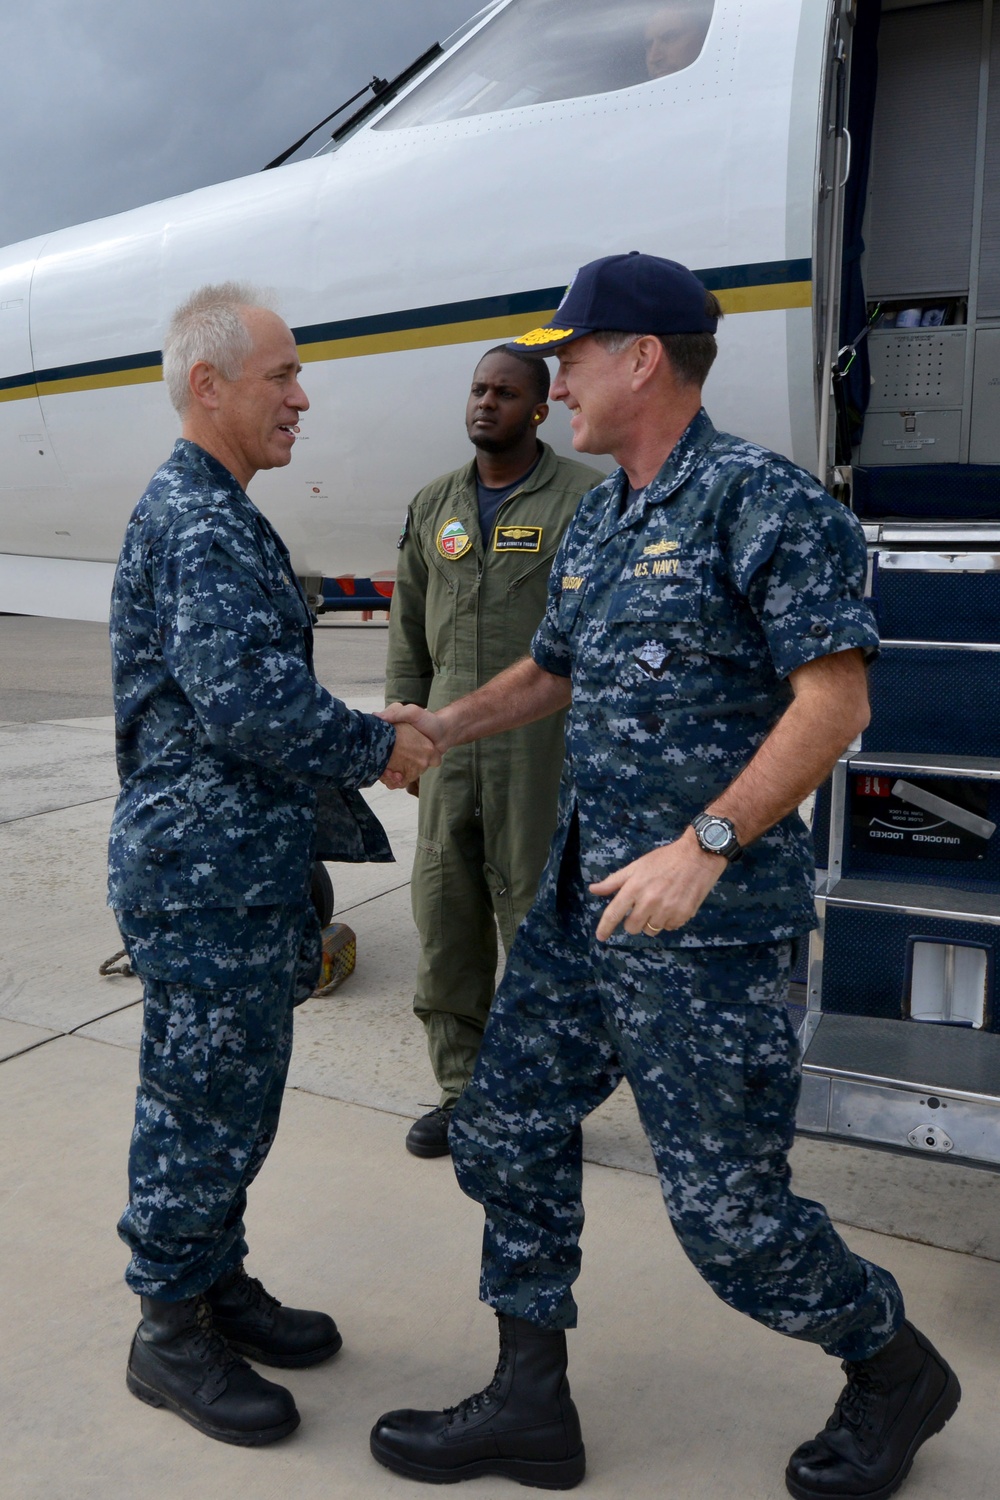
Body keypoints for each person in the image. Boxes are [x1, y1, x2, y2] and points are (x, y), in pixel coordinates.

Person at [371, 254, 960, 1498]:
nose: (555, 375)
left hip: (707, 926)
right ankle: (530, 1403)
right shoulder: (607, 512)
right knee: (506, 1128)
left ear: (642, 358)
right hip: (586, 908)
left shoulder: (760, 501)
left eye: (572, 353)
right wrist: (441, 726)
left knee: (727, 1221)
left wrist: (706, 845)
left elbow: (834, 700)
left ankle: (895, 1368)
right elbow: (552, 670)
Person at [108, 282, 438, 1447]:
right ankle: (168, 1330)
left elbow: (245, 693)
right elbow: (248, 706)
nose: (301, 399)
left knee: (232, 1097)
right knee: (200, 1102)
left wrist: (365, 725)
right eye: (281, 377)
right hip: (203, 873)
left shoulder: (219, 510)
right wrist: (380, 744)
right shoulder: (200, 520)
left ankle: (214, 1281)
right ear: (209, 387)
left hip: (230, 865)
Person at [385, 345, 602, 1158]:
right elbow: (408, 629)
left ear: (539, 409)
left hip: (540, 751)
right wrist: (403, 733)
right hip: (444, 751)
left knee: (539, 928)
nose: (486, 404)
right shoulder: (433, 503)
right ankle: (461, 1095)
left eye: (506, 393)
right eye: (478, 390)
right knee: (445, 922)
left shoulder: (584, 498)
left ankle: (546, 1106)